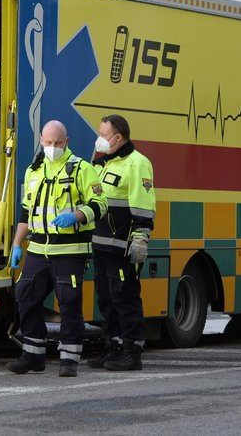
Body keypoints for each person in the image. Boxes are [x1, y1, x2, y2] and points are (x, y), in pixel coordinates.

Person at [6, 120, 107, 377]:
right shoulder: (34, 171)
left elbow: (100, 203)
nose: (53, 147)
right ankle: (33, 354)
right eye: (49, 143)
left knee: (69, 302)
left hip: (70, 249)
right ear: (41, 141)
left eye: (58, 143)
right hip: (39, 248)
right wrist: (17, 244)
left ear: (67, 142)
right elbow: (26, 211)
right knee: (25, 297)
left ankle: (69, 359)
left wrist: (78, 215)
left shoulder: (82, 169)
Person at [88, 114, 156, 371]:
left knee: (125, 298)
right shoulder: (101, 163)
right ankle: (113, 347)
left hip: (123, 246)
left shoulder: (137, 164)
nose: (100, 139)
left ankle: (132, 351)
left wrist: (141, 237)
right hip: (102, 244)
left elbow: (144, 205)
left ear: (118, 137)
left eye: (104, 135)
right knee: (106, 298)